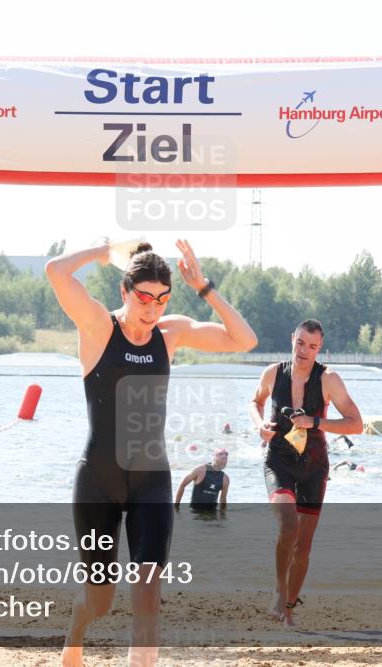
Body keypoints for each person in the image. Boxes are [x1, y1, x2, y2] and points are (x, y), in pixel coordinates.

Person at [46, 239, 257, 667]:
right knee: (100, 600)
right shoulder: (99, 328)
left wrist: (205, 288)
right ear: (124, 292)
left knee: (147, 591)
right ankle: (76, 632)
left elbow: (244, 340)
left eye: (162, 299)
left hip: (151, 481)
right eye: (144, 297)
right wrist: (104, 251)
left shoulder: (169, 334)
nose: (153, 308)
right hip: (99, 482)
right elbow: (56, 271)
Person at [248, 319, 363, 626]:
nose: (304, 351)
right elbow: (255, 401)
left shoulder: (329, 379)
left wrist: (315, 422)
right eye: (300, 343)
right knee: (288, 526)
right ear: (292, 339)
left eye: (312, 346)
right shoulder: (273, 373)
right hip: (278, 462)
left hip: (313, 466)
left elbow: (356, 424)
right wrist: (260, 425)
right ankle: (279, 590)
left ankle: (288, 607)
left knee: (304, 545)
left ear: (319, 348)